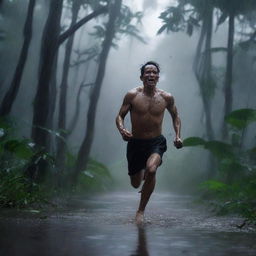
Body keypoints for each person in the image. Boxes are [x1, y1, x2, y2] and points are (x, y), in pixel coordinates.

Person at [116, 61, 182, 224]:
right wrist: (122, 130)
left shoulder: (166, 97)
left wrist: (178, 136)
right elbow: (119, 116)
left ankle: (140, 211)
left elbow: (176, 117)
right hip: (135, 143)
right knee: (135, 183)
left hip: (156, 142)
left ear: (158, 77)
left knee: (152, 170)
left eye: (154, 72)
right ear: (142, 77)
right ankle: (140, 172)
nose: (151, 75)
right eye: (147, 72)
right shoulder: (132, 95)